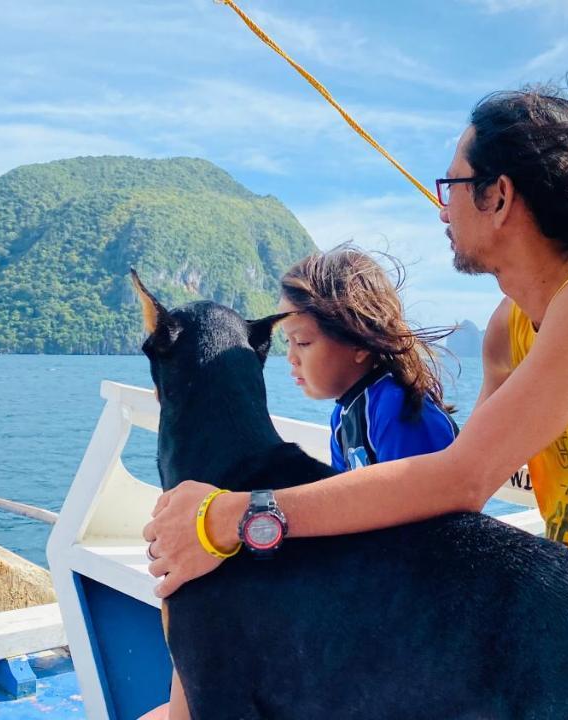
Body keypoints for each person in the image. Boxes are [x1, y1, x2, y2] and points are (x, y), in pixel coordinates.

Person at [142, 86, 568, 661]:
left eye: (450, 185)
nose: (440, 205)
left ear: (498, 196)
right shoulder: (513, 324)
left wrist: (239, 515)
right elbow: (460, 471)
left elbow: (462, 478)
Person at [149, 246, 458, 720]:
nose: (291, 359)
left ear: (359, 342)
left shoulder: (396, 409)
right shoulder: (348, 413)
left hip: (416, 607)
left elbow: (432, 525)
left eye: (303, 343)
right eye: (287, 345)